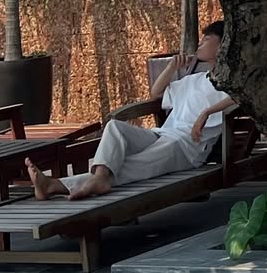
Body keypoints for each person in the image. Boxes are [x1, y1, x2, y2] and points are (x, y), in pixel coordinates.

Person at [32, 21, 238, 200]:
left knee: (133, 164)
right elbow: (156, 93)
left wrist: (206, 113)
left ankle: (56, 185)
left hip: (185, 147)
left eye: (207, 39)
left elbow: (239, 97)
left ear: (222, 45)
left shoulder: (233, 83)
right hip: (162, 135)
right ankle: (98, 178)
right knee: (115, 127)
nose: (200, 43)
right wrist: (171, 68)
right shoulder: (194, 80)